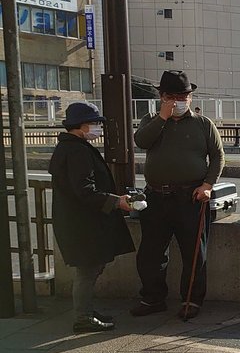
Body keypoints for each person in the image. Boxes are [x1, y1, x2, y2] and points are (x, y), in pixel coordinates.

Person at [131, 70, 225, 321]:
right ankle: (152, 298)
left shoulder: (203, 124)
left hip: (191, 197)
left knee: (194, 253)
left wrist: (207, 185)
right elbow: (141, 141)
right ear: (162, 97)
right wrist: (162, 118)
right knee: (151, 253)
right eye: (173, 97)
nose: (179, 102)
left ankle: (191, 300)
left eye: (184, 96)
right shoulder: (151, 119)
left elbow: (217, 156)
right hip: (156, 197)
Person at [49, 102, 135, 333]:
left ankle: (85, 311)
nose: (98, 128)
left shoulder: (69, 147)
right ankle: (83, 317)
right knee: (87, 270)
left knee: (91, 268)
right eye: (95, 123)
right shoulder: (77, 150)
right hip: (82, 222)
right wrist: (116, 201)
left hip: (78, 220)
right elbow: (84, 189)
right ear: (80, 125)